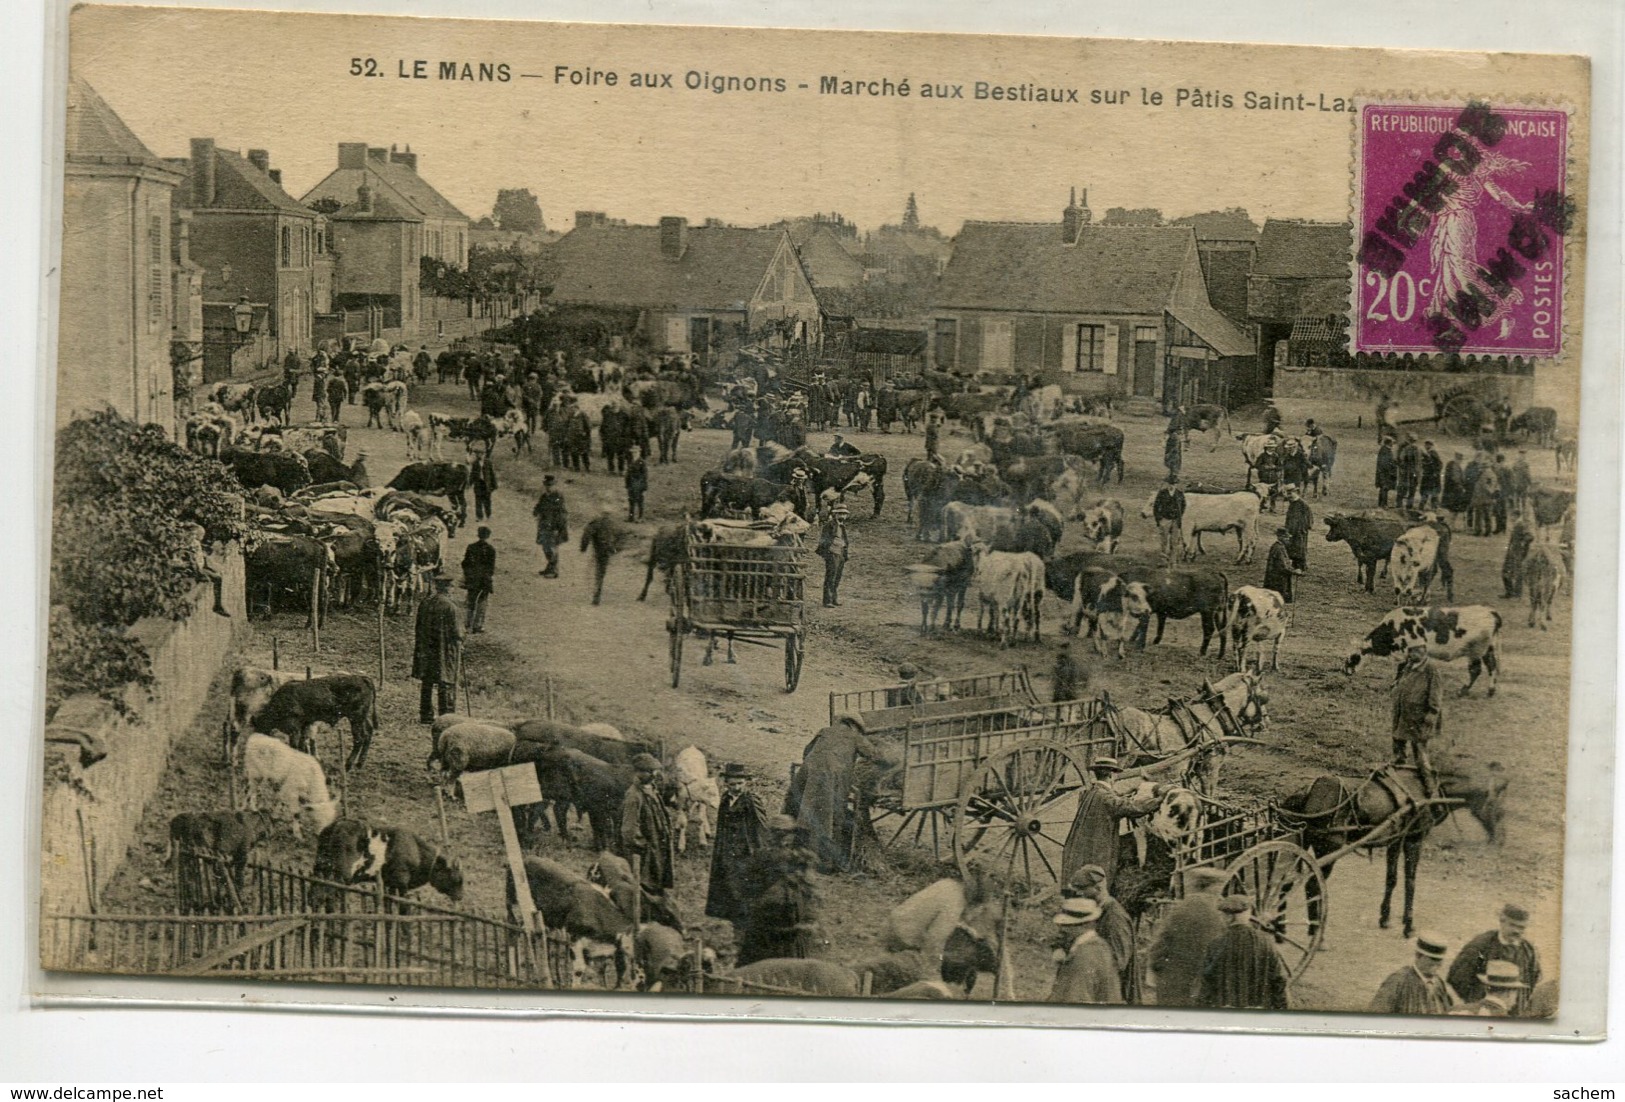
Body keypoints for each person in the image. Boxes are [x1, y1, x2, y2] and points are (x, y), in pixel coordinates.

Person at [788, 714, 889, 873]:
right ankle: (824, 863)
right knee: (829, 816)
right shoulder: (854, 736)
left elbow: (807, 750)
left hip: (808, 772)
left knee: (802, 809)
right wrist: (893, 760)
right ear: (854, 726)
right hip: (830, 777)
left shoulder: (825, 730)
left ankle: (794, 848)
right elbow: (874, 755)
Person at [1060, 758, 1161, 890]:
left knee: (1081, 873)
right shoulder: (1106, 797)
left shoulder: (1092, 792)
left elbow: (1114, 800)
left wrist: (1125, 794)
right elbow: (1130, 807)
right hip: (1098, 846)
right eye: (1115, 774)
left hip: (1083, 843)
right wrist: (1158, 801)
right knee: (1098, 875)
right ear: (1111, 775)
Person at [736, 815, 819, 966]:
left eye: (785, 834)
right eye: (778, 834)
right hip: (774, 918)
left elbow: (811, 891)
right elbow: (747, 887)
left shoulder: (797, 858)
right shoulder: (767, 857)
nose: (782, 838)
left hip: (784, 918)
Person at [1148, 866, 1229, 1007]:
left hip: (1172, 983)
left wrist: (1157, 970)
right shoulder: (1217, 915)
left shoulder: (1180, 908)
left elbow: (1159, 945)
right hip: (1201, 987)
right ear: (1211, 887)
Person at [705, 763, 770, 929]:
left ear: (745, 783)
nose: (736, 788)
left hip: (745, 850)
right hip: (727, 848)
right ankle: (730, 915)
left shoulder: (751, 800)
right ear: (726, 783)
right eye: (732, 784)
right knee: (728, 881)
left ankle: (745, 919)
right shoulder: (725, 799)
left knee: (743, 883)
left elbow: (761, 827)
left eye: (740, 784)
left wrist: (760, 851)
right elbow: (721, 825)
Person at [1197, 896, 1291, 1010]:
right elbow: (1279, 980)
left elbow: (1207, 982)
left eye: (1222, 915)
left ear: (1229, 918)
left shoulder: (1216, 944)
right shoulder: (1266, 943)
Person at [1447, 904, 1542, 1015]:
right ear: (1502, 921)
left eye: (1521, 927)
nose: (1516, 931)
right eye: (1512, 925)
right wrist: (1476, 1002)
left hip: (1515, 1014)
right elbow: (1457, 977)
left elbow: (1533, 981)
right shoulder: (1481, 946)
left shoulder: (1529, 951)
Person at [619, 752, 678, 914]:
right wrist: (643, 845)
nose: (653, 775)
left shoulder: (652, 790)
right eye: (648, 771)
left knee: (657, 881)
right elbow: (628, 830)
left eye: (654, 771)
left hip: (657, 847)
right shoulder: (634, 796)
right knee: (645, 885)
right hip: (644, 853)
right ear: (637, 772)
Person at [1065, 865, 1134, 999]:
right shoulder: (1094, 910)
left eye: (1082, 889)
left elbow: (1119, 962)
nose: (1078, 894)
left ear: (1098, 888)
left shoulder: (1115, 917)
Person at [1391, 639, 1443, 796]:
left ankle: (1430, 787)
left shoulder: (1431, 669)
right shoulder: (1408, 666)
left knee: (1420, 752)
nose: (1412, 654)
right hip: (1403, 715)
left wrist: (1432, 714)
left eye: (1416, 651)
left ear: (1424, 651)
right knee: (1398, 745)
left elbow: (1436, 695)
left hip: (1419, 718)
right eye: (1410, 651)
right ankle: (1397, 777)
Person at [1047, 897, 1122, 1004]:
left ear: (1087, 924)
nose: (1062, 930)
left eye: (1069, 925)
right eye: (1062, 925)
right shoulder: (1100, 946)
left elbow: (1076, 998)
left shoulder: (1084, 956)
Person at [412, 575, 463, 723]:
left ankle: (425, 714)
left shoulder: (425, 603)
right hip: (444, 651)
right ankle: (446, 716)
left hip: (426, 650)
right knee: (445, 681)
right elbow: (458, 632)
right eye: (451, 587)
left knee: (427, 682)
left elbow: (418, 627)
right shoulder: (451, 607)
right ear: (447, 588)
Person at [1370, 933, 1455, 1015]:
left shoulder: (1438, 983)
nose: (1437, 964)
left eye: (1439, 959)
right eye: (1432, 959)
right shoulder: (1397, 981)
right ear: (1418, 955)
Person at [174, 523, 229, 617]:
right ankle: (216, 606)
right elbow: (188, 559)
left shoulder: (194, 542)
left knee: (217, 577)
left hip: (198, 568)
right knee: (212, 579)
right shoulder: (187, 543)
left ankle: (218, 605)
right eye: (200, 535)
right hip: (193, 570)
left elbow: (200, 558)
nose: (201, 537)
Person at [579, 507, 628, 606]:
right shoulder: (616, 524)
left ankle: (596, 594)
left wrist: (583, 547)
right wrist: (616, 549)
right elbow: (623, 536)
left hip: (599, 549)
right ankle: (597, 592)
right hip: (609, 549)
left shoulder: (596, 522)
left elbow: (586, 534)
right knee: (602, 570)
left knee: (598, 571)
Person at [1451, 960, 1528, 1017]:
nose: (1515, 1001)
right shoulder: (1508, 1023)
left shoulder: (1456, 1010)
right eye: (1516, 993)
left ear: (1486, 988)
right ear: (1509, 993)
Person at [459, 526, 497, 634]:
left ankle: (467, 624)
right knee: (482, 602)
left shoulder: (471, 547)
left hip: (472, 579)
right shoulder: (490, 549)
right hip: (484, 580)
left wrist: (468, 574)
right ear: (488, 536)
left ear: (478, 534)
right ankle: (478, 625)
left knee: (471, 601)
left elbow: (465, 563)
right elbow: (491, 568)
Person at [532, 475, 568, 578]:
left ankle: (554, 570)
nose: (548, 487)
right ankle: (550, 567)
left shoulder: (558, 496)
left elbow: (562, 513)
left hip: (554, 527)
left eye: (550, 485)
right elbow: (539, 505)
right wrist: (535, 511)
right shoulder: (544, 496)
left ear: (554, 485)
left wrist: (558, 528)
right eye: (546, 485)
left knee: (552, 548)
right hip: (544, 526)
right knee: (545, 547)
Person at [817, 499, 850, 608]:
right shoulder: (829, 525)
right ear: (835, 514)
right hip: (832, 553)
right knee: (830, 577)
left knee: (837, 577)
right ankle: (827, 601)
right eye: (840, 513)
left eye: (844, 514)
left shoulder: (842, 526)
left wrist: (844, 552)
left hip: (840, 553)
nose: (842, 516)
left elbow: (844, 540)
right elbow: (824, 540)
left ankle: (833, 599)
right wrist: (828, 552)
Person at [1264, 526, 1304, 603]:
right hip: (1278, 580)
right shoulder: (1279, 548)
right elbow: (1283, 566)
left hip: (1275, 578)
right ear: (1280, 537)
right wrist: (1295, 571)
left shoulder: (1278, 546)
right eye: (1286, 538)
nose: (1288, 540)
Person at [1152, 475, 1186, 565]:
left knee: (1174, 542)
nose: (1172, 485)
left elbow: (1183, 506)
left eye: (1174, 484)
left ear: (1176, 484)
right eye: (1170, 483)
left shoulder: (1179, 494)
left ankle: (1173, 561)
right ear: (1167, 484)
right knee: (1164, 541)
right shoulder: (1162, 493)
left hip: (1175, 520)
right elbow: (1156, 506)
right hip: (1165, 519)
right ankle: (1163, 560)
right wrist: (1159, 519)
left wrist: (1179, 516)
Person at [1283, 487, 1313, 572]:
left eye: (1291, 493)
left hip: (1300, 531)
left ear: (1296, 492)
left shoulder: (1303, 504)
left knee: (1300, 548)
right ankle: (1294, 565)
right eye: (1288, 494)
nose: (1289, 496)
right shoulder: (1292, 504)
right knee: (1291, 548)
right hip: (1291, 530)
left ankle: (1300, 566)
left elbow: (1309, 518)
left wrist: (1303, 528)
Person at [469, 451, 498, 523]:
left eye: (481, 454)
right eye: (478, 454)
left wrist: (494, 485)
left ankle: (489, 515)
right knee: (478, 501)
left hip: (487, 485)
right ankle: (479, 516)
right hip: (478, 484)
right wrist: (469, 484)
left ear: (484, 454)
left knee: (487, 501)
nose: (479, 455)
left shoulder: (488, 462)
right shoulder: (475, 463)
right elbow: (472, 475)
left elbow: (492, 474)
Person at [1443, 449, 1472, 520]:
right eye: (1460, 459)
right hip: (1455, 491)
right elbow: (1456, 479)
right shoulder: (1455, 466)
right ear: (1457, 459)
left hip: (1450, 491)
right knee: (1454, 510)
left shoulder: (1450, 464)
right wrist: (1462, 488)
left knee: (1452, 510)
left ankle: (1450, 524)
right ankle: (1451, 525)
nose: (1461, 461)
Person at [1396, 433, 1421, 509]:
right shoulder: (1407, 448)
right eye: (1412, 440)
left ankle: (1406, 505)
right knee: (1406, 488)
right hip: (1409, 472)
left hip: (1411, 472)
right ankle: (1402, 505)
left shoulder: (1413, 449)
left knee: (1410, 488)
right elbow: (1401, 459)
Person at [624, 446, 649, 522]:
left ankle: (640, 517)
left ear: (639, 453)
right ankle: (631, 517)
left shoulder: (642, 462)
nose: (634, 454)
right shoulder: (631, 461)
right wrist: (627, 483)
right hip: (631, 484)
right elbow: (628, 473)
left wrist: (643, 486)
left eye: (636, 452)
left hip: (638, 484)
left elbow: (644, 475)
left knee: (639, 501)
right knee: (631, 500)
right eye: (633, 452)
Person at [1419, 440, 1444, 510]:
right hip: (1428, 476)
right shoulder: (1427, 453)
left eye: (1427, 445)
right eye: (1425, 444)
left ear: (1430, 445)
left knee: (1431, 493)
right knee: (1427, 492)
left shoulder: (1433, 453)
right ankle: (1424, 507)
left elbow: (1439, 464)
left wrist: (1436, 472)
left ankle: (1433, 507)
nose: (1426, 446)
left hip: (1432, 477)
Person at [1375, 436, 1398, 507]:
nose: (1393, 444)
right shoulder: (1385, 450)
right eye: (1392, 442)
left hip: (1385, 472)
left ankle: (1382, 504)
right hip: (1384, 473)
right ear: (1389, 442)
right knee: (1384, 488)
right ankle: (1383, 504)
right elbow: (1384, 463)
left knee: (1385, 488)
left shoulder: (1386, 450)